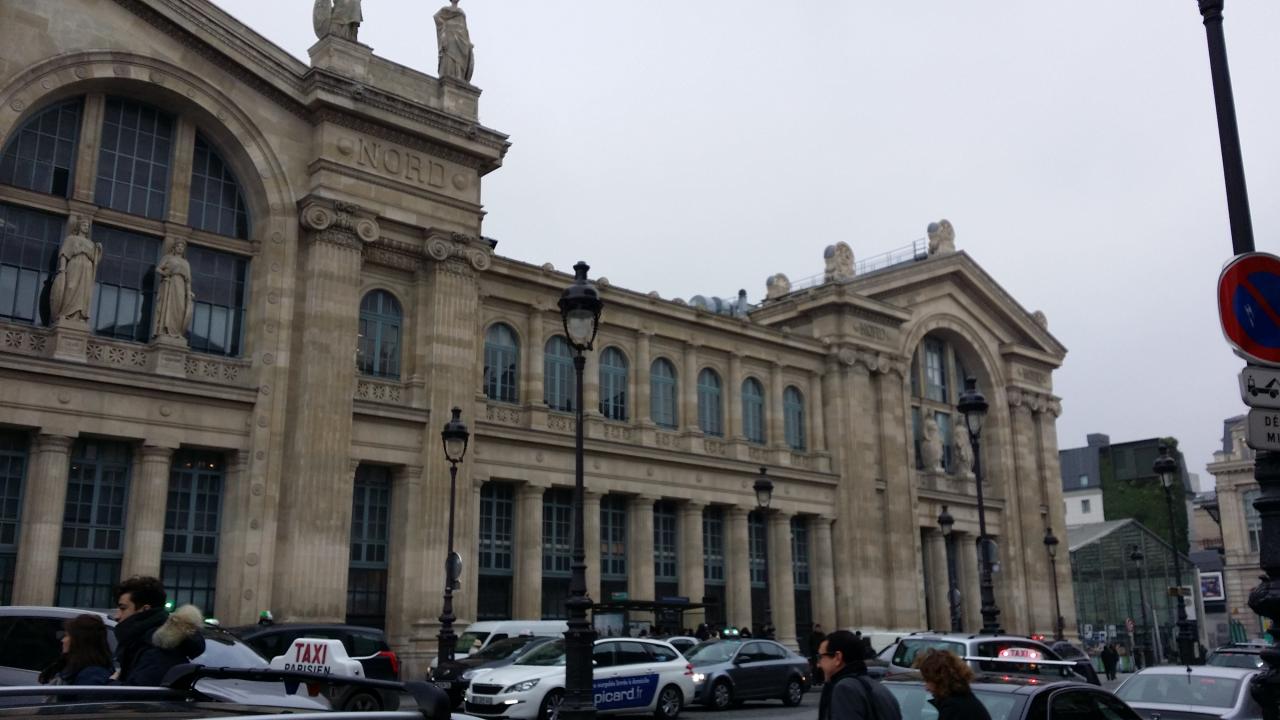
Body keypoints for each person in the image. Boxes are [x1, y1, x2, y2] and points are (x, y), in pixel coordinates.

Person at [113, 576, 206, 685]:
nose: (117, 616)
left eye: (123, 608)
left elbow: (137, 696)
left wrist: (112, 683)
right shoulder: (144, 643)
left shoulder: (156, 650)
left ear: (145, 609)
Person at [816, 629, 902, 720]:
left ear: (838, 658)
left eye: (820, 657)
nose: (818, 664)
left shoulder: (845, 689)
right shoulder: (879, 688)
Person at [914, 649, 992, 720]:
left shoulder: (954, 708)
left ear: (941, 680)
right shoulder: (965, 702)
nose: (926, 687)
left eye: (928, 681)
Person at [38, 614, 114, 686]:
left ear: (79, 641)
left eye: (67, 636)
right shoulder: (71, 665)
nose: (63, 640)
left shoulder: (91, 675)